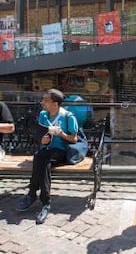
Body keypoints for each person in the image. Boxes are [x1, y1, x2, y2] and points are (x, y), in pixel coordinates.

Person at [16, 89, 79, 225]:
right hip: (46, 151)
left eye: (45, 100)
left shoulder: (68, 116)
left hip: (61, 151)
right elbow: (39, 134)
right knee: (43, 160)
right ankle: (45, 203)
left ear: (55, 104)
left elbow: (74, 139)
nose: (42, 102)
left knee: (40, 157)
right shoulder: (43, 115)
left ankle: (32, 194)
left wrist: (61, 134)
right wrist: (42, 139)